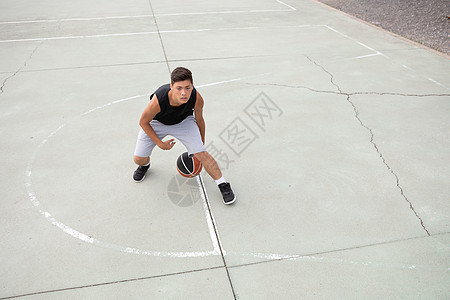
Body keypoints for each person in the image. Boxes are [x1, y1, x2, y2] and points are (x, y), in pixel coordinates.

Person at [133, 67, 236, 205]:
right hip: (157, 123)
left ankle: (223, 185)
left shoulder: (197, 98)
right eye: (179, 88)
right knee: (138, 159)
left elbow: (199, 120)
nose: (184, 93)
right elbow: (143, 122)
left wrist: (200, 145)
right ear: (171, 87)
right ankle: (145, 165)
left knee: (203, 154)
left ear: (192, 86)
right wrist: (160, 143)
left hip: (183, 122)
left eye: (188, 88)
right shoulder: (159, 100)